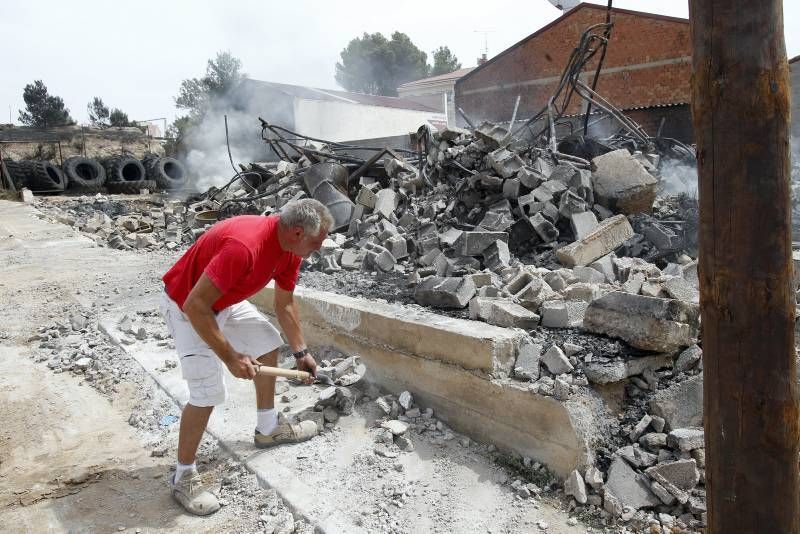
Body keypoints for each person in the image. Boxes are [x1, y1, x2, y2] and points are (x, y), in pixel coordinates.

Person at [159, 199, 333, 515]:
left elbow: (285, 304)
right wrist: (230, 357)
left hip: (222, 302)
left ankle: (267, 428)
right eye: (316, 242)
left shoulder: (291, 249)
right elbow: (196, 306)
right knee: (207, 391)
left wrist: (302, 352)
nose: (319, 249)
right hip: (188, 306)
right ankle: (183, 476)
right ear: (296, 232)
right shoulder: (245, 246)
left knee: (267, 340)